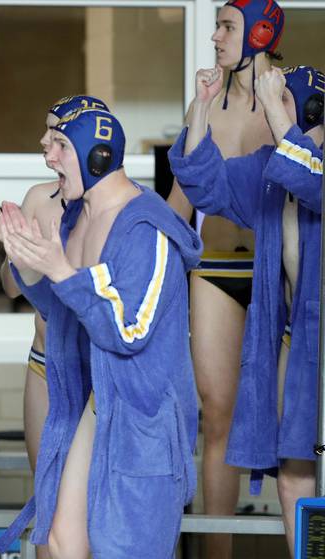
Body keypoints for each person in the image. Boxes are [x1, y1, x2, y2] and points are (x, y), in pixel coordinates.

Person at [0, 107, 201, 558]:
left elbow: (131, 329)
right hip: (92, 405)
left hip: (141, 419)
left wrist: (62, 271)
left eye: (59, 146)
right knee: (62, 541)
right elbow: (64, 311)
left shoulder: (147, 228)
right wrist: (28, 263)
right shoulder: (76, 217)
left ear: (97, 156)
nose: (47, 156)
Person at [169, 64, 324, 556]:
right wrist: (201, 108)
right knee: (294, 474)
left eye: (280, 104)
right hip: (295, 341)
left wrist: (281, 117)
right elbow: (203, 183)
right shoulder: (269, 169)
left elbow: (313, 183)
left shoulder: (301, 164)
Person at [166, 2, 284, 556]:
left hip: (274, 274)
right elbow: (178, 201)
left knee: (291, 416)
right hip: (214, 271)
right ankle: (219, 553)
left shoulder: (290, 103)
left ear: (262, 33)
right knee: (216, 416)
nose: (214, 37)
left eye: (227, 27)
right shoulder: (205, 105)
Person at [0, 94, 108, 559]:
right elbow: (13, 289)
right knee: (49, 500)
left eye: (55, 135)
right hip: (46, 367)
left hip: (99, 375)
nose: (44, 144)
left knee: (95, 508)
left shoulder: (116, 206)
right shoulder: (39, 198)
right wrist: (17, 253)